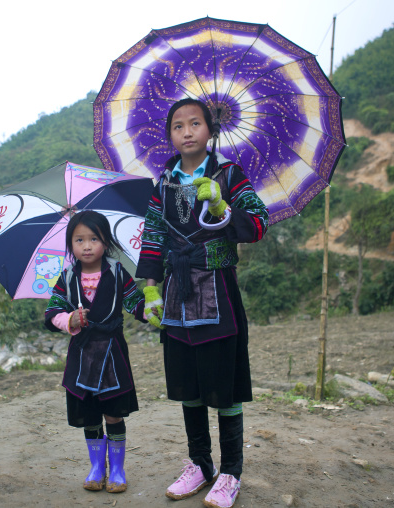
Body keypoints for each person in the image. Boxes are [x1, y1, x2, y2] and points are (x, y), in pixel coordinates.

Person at [136, 98, 269, 508]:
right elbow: (154, 236)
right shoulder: (164, 184)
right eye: (178, 125)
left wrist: (222, 205)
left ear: (210, 131)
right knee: (188, 385)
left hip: (219, 294)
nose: (187, 131)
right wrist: (152, 288)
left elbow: (259, 223)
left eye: (196, 123)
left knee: (224, 388)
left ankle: (230, 472)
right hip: (177, 296)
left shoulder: (228, 174)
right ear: (170, 136)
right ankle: (199, 463)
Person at [45, 210, 146, 494]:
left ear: (106, 242)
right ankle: (96, 468)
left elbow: (135, 302)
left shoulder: (117, 272)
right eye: (79, 240)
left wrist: (150, 309)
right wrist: (69, 321)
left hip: (112, 355)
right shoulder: (66, 277)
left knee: (113, 414)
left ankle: (116, 470)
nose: (86, 246)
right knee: (90, 415)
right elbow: (52, 311)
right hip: (82, 356)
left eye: (94, 239)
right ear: (71, 244)